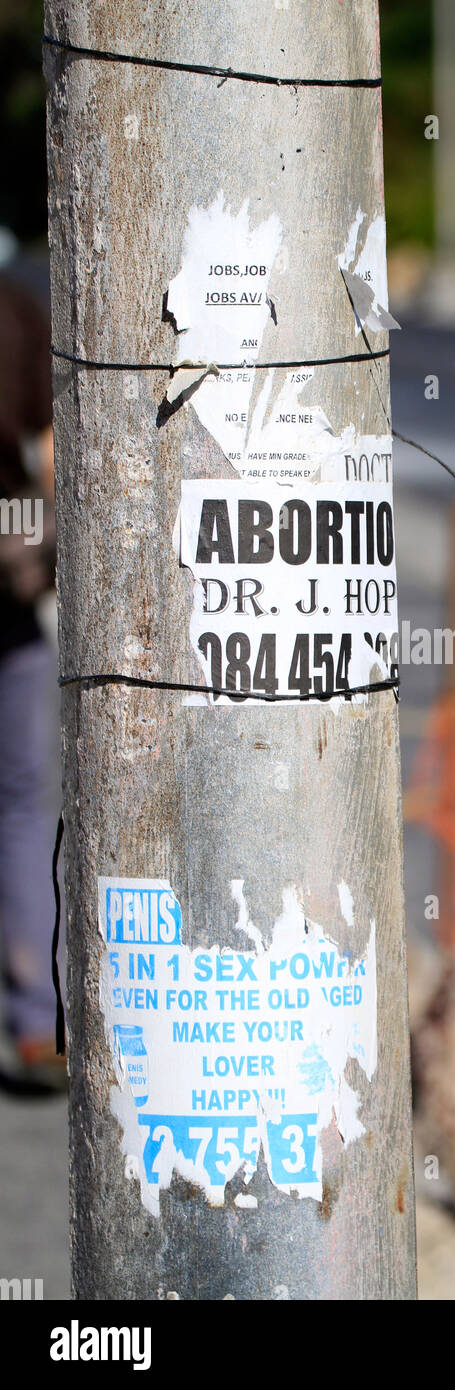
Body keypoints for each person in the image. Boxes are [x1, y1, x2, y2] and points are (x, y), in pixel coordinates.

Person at [0, 268, 63, 1090]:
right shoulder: (14, 310)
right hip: (7, 584)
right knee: (22, 799)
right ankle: (38, 1021)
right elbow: (48, 447)